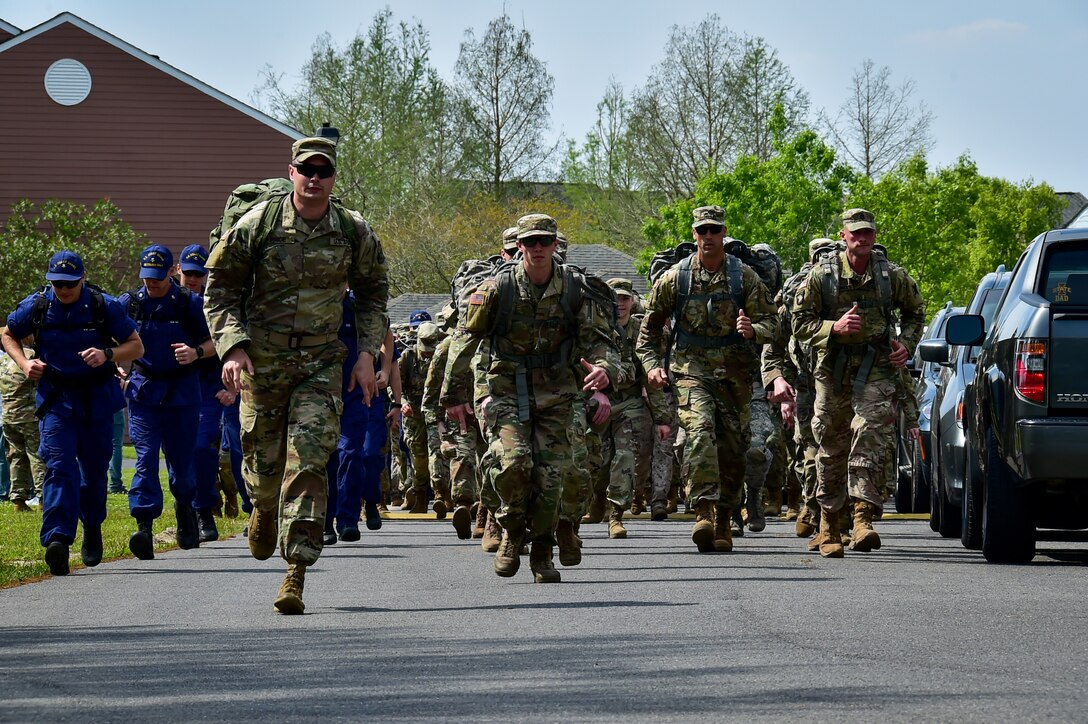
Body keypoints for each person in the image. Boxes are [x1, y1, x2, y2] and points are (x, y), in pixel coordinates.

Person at [204, 136, 388, 614]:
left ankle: (296, 572)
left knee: (308, 460)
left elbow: (373, 294)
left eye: (323, 171)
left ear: (333, 178)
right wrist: (233, 346)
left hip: (321, 363)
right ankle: (264, 509)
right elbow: (219, 289)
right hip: (262, 360)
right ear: (291, 172)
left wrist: (367, 355)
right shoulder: (256, 225)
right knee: (263, 469)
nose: (314, 178)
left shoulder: (352, 230)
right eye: (306, 169)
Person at [442, 213, 617, 583]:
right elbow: (463, 340)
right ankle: (510, 530)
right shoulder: (496, 290)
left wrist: (604, 370)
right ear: (518, 246)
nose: (538, 248)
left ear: (555, 245)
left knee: (554, 474)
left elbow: (600, 340)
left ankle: (541, 549)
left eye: (544, 241)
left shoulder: (575, 289)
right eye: (530, 242)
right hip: (507, 386)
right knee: (513, 464)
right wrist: (454, 395)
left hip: (559, 391)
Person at [636, 205, 778, 553]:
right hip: (691, 372)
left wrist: (753, 329)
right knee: (699, 432)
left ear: (724, 233)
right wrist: (653, 365)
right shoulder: (676, 278)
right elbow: (648, 334)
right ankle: (703, 510)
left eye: (715, 230)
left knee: (734, 449)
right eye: (702, 231)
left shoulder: (743, 277)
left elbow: (774, 324)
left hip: (735, 377)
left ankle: (725, 518)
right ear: (694, 234)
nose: (709, 237)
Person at [790, 209, 925, 557]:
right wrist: (832, 328)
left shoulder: (890, 275)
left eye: (868, 233)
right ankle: (830, 525)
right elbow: (799, 322)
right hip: (832, 368)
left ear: (874, 236)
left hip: (876, 365)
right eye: (855, 233)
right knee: (830, 444)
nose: (862, 239)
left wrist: (906, 344)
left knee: (868, 432)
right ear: (843, 235)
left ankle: (863, 518)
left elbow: (916, 311)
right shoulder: (823, 275)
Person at [2, 251, 143, 575]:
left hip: (96, 398)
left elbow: (136, 346)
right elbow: (7, 333)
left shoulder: (102, 305)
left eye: (69, 284)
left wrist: (108, 353)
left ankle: (92, 528)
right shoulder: (38, 305)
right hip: (57, 400)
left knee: (93, 473)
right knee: (58, 467)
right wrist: (25, 363)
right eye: (57, 284)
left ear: (82, 278)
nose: (63, 291)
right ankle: (58, 540)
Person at [119, 244, 214, 558]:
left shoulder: (190, 304)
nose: (153, 284)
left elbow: (217, 340)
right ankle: (143, 526)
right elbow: (108, 337)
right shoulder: (130, 304)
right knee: (145, 459)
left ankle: (185, 509)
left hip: (183, 394)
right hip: (145, 392)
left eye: (158, 278)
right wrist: (116, 364)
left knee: (182, 465)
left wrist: (196, 353)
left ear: (172, 272)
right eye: (147, 278)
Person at [596, 279, 671, 540]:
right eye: (615, 298)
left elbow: (652, 378)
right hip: (597, 401)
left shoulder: (641, 330)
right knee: (598, 460)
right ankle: (596, 504)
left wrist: (662, 418)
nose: (620, 304)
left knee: (625, 457)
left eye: (625, 298)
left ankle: (616, 514)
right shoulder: (596, 327)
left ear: (632, 301)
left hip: (629, 403)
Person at [0, 333, 46, 511]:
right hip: (29, 416)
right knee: (37, 456)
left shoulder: (4, 359)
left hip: (9, 415)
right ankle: (43, 498)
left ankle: (18, 500)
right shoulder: (30, 356)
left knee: (15, 457)